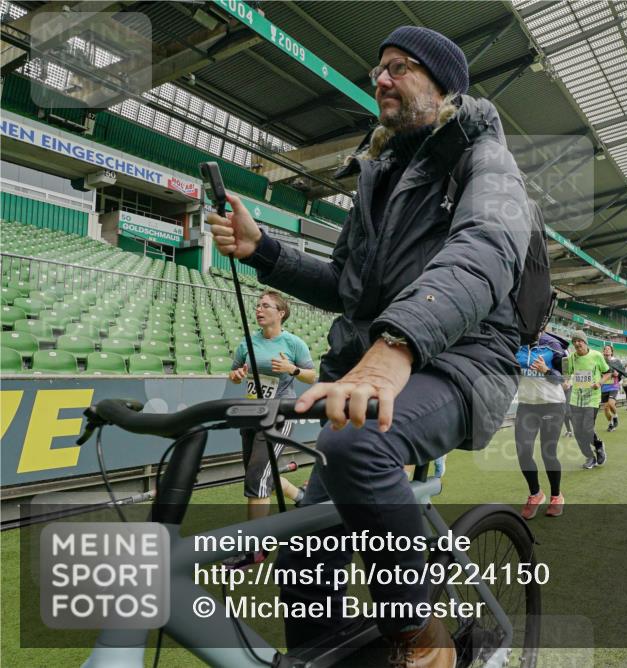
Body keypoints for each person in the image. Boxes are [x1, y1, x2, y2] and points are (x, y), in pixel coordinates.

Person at [210, 25, 529, 665]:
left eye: (400, 67)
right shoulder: (377, 174)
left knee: (358, 440)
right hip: (381, 360)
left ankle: (423, 637)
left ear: (445, 86)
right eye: (378, 68)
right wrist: (264, 251)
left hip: (461, 361)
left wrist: (397, 345)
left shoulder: (484, 156)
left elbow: (486, 250)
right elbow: (346, 286)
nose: (381, 78)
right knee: (304, 539)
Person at [227, 291, 316, 567]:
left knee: (256, 478)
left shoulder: (293, 343)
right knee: (262, 474)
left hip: (278, 415)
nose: (259, 309)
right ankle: (300, 496)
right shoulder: (247, 342)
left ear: (281, 313)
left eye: (266, 305)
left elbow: (314, 376)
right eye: (257, 305)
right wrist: (237, 374)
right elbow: (233, 375)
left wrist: (292, 369)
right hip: (251, 414)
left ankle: (255, 548)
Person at [515, 332, 568, 519]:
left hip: (551, 404)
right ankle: (535, 493)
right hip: (526, 406)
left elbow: (564, 379)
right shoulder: (516, 344)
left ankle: (556, 496)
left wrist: (546, 370)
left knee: (548, 453)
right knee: (523, 452)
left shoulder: (553, 346)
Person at [563, 331, 611, 470]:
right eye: (575, 341)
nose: (577, 344)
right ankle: (590, 457)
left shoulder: (597, 355)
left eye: (580, 341)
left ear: (585, 342)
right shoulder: (571, 358)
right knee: (578, 432)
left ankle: (598, 445)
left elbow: (608, 373)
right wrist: (566, 382)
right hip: (576, 399)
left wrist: (599, 383)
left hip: (592, 398)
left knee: (587, 429)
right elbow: (567, 374)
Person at [600, 344, 625, 432]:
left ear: (611, 351)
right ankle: (610, 423)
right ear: (603, 351)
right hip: (604, 386)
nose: (607, 350)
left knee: (611, 404)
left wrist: (618, 374)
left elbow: (622, 372)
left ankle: (615, 416)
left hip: (614, 385)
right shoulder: (601, 361)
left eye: (608, 349)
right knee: (606, 409)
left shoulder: (616, 361)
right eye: (605, 349)